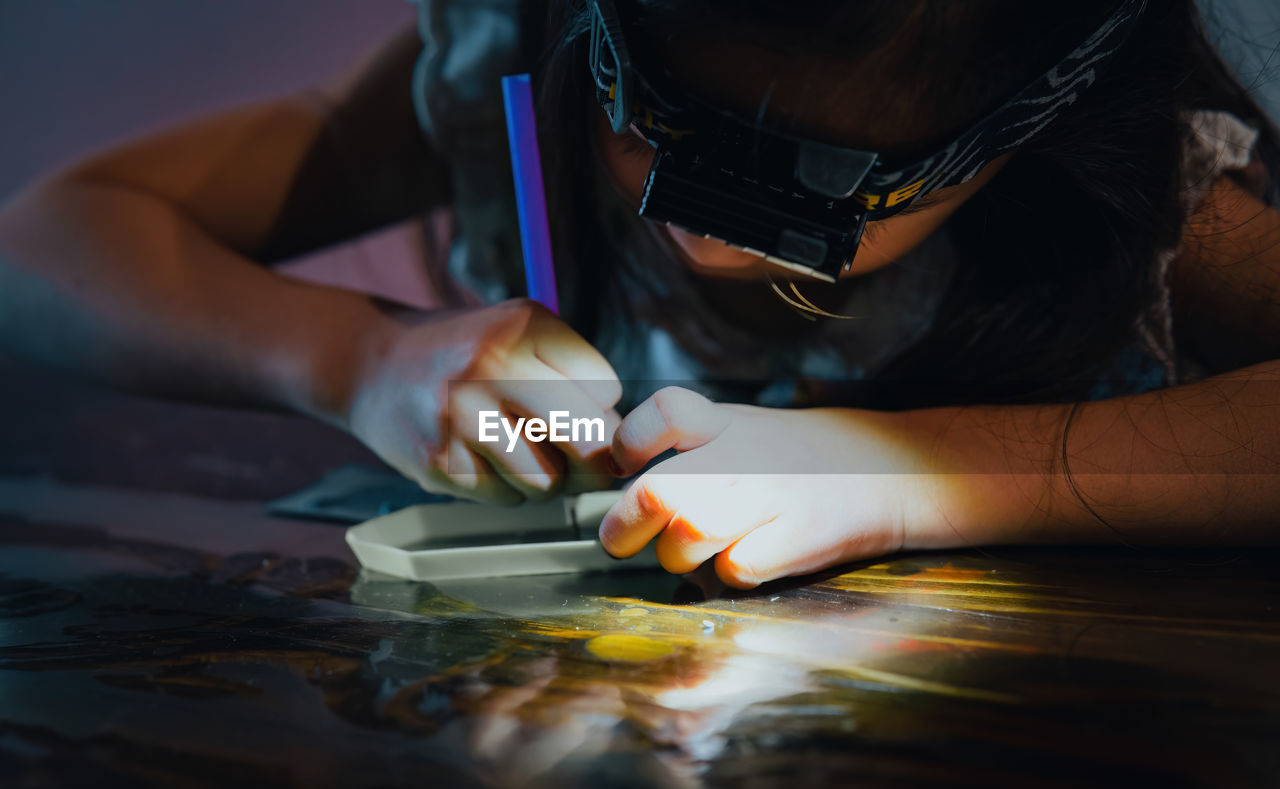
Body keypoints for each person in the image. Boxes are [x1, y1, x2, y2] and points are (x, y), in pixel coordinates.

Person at [1, 0, 1277, 589]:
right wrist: (352, 360)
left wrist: (900, 472)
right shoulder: (517, 59)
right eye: (653, 125)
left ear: (1020, 128)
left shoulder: (1157, 217)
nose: (697, 233)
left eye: (808, 197)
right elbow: (41, 244)